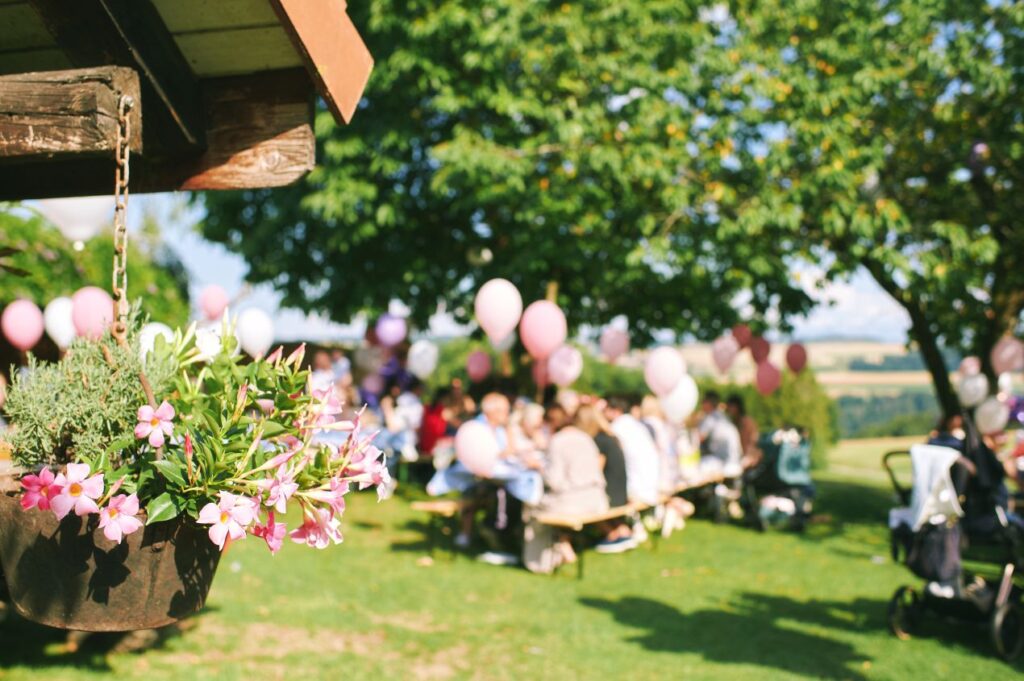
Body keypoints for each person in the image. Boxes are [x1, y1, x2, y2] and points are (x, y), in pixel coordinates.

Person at [523, 406, 609, 573]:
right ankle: (562, 544)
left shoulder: (558, 441)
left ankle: (540, 562)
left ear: (550, 423)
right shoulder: (585, 437)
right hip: (597, 499)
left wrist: (538, 467)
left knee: (530, 507)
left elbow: (554, 481)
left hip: (573, 502)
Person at [576, 403, 634, 551]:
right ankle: (623, 531)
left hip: (611, 496)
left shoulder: (599, 440)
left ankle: (611, 534)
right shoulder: (610, 437)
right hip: (621, 493)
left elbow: (596, 471)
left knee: (583, 500)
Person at [604, 397, 661, 508]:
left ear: (615, 410)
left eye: (605, 410)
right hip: (651, 485)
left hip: (636, 488)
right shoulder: (636, 424)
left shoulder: (617, 427)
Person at [696, 391, 742, 472]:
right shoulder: (722, 415)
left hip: (725, 463)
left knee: (696, 466)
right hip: (735, 461)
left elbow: (697, 439)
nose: (701, 404)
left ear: (708, 403)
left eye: (703, 401)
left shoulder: (711, 418)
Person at [726, 395, 761, 469]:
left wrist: (748, 457)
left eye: (731, 406)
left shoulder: (747, 422)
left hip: (750, 457)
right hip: (738, 457)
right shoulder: (732, 422)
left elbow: (753, 441)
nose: (729, 409)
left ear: (737, 407)